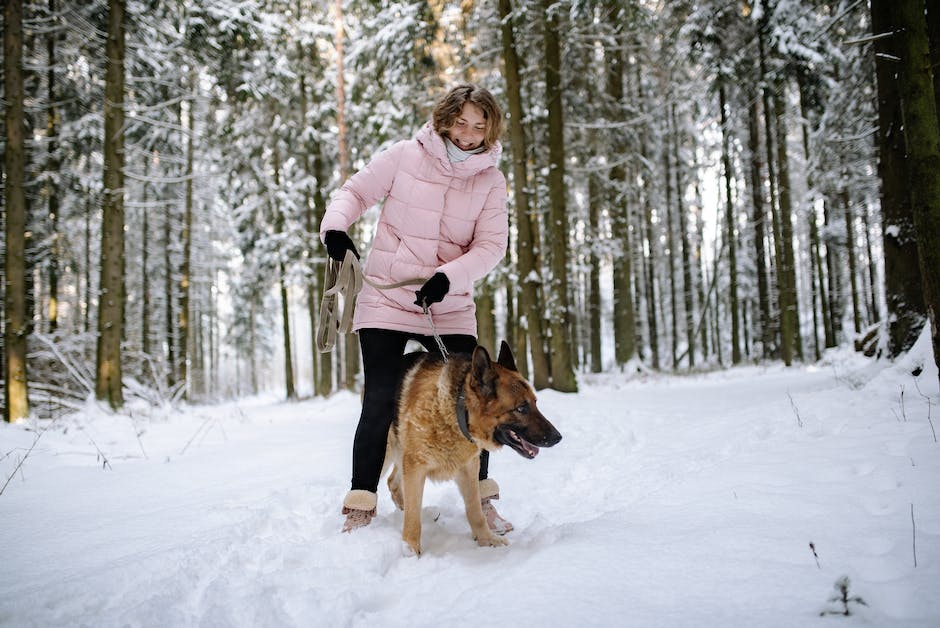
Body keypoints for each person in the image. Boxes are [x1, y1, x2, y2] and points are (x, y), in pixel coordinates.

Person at [319, 84, 512, 534]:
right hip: (388, 297)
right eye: (461, 122)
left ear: (491, 129)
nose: (468, 134)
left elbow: (491, 245)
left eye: (479, 126)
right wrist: (335, 229)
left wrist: (450, 277)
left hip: (448, 304)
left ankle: (483, 503)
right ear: (445, 118)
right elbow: (355, 192)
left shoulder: (491, 181)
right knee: (382, 396)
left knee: (474, 400)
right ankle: (360, 504)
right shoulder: (405, 155)